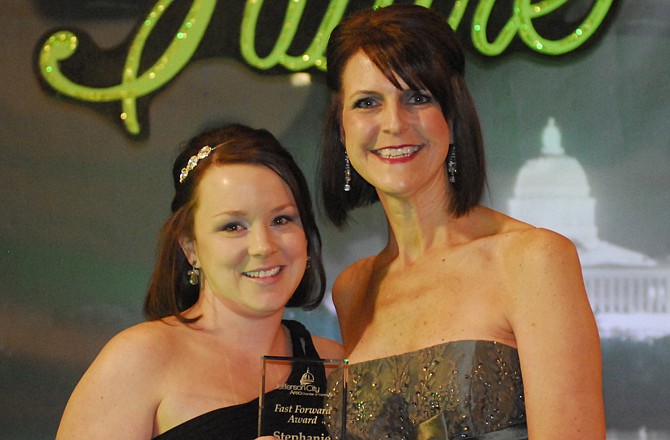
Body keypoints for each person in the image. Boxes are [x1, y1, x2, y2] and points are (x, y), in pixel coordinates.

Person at [319, 4, 605, 439]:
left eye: (417, 97)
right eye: (367, 103)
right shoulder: (354, 289)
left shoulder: (532, 260)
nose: (393, 123)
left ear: (451, 117)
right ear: (342, 130)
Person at [55, 123, 343, 440]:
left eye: (282, 219)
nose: (264, 246)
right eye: (233, 226)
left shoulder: (333, 367)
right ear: (190, 246)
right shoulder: (140, 359)